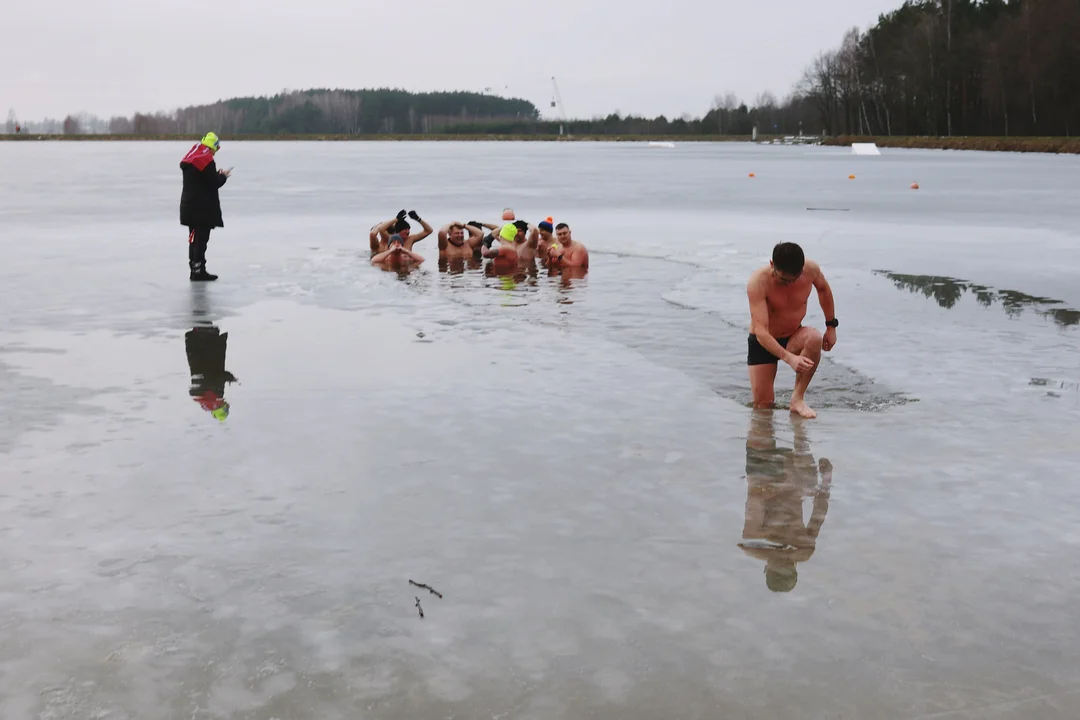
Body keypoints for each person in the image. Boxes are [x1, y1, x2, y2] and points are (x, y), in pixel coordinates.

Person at [738, 410, 832, 592]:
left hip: (788, 479)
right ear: (766, 569)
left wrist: (827, 479)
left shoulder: (803, 549)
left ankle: (798, 414)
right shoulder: (753, 541)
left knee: (796, 432)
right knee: (762, 419)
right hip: (772, 476)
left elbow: (819, 510)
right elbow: (757, 498)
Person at [746, 242, 837, 419]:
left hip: (792, 335)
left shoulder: (811, 270)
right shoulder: (758, 282)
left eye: (793, 280)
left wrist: (831, 326)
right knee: (763, 407)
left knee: (813, 337)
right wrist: (789, 359)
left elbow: (824, 290)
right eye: (783, 279)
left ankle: (797, 400)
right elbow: (761, 332)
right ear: (772, 265)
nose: (789, 284)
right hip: (763, 341)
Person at [179, 132, 230, 281]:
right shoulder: (206, 160)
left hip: (189, 206)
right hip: (201, 208)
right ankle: (198, 271)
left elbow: (202, 179)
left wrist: (215, 175)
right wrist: (223, 176)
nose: (215, 152)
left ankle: (195, 269)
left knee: (194, 239)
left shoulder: (193, 157)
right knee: (201, 240)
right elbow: (214, 183)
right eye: (216, 148)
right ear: (212, 147)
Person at [185, 324, 237, 422]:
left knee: (203, 316)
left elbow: (216, 377)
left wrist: (230, 377)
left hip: (208, 342)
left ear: (220, 408)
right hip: (196, 344)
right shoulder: (200, 396)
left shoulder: (215, 395)